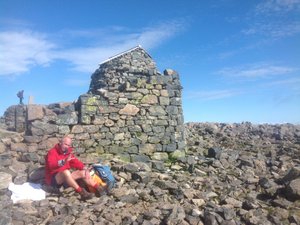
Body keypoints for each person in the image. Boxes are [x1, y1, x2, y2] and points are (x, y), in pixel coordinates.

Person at [45, 136, 105, 200]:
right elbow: (51, 165)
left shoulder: (67, 153)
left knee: (84, 173)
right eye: (65, 144)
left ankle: (99, 189)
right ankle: (82, 193)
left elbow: (75, 162)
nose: (66, 147)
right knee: (66, 172)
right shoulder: (52, 152)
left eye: (68, 145)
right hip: (54, 180)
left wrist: (85, 168)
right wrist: (63, 161)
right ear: (60, 142)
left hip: (66, 178)